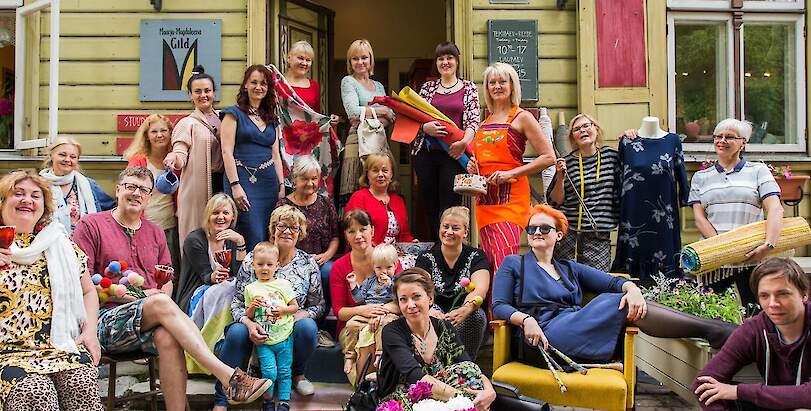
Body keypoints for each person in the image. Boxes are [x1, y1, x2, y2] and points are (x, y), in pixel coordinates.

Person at [72, 166, 272, 409]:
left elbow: (167, 279)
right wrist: (141, 297)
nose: (136, 193)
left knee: (168, 336)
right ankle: (228, 376)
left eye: (143, 190)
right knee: (159, 302)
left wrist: (158, 297)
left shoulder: (155, 232)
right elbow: (82, 284)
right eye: (130, 187)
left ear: (149, 197)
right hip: (103, 319)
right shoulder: (91, 225)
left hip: (148, 319)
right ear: (118, 189)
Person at [491, 204, 736, 366]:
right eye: (531, 228)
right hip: (543, 334)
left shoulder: (569, 267)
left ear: (559, 235)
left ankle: (715, 330)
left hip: (576, 326)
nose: (536, 232)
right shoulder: (514, 263)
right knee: (617, 302)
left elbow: (614, 281)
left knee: (622, 298)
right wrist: (525, 320)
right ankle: (715, 330)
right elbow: (499, 305)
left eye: (544, 228)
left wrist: (633, 289)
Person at [0, 170, 103, 410]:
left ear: (44, 207)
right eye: (18, 193)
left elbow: (88, 291)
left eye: (35, 196)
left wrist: (90, 331)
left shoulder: (59, 243)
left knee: (81, 382)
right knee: (36, 391)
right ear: (2, 201)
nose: (27, 200)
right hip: (6, 352)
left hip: (58, 346)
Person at [217, 205, 325, 409]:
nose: (287, 231)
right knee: (237, 332)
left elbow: (318, 305)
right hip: (257, 325)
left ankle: (297, 375)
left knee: (307, 327)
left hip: (288, 328)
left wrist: (300, 315)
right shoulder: (253, 258)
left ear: (300, 233)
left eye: (294, 228)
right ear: (273, 229)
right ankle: (222, 398)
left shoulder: (307, 264)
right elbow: (237, 302)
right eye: (282, 226)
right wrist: (249, 324)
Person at [468, 62, 555, 272]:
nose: (497, 86)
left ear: (512, 86)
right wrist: (473, 167)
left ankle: (505, 295)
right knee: (489, 261)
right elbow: (484, 160)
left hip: (511, 199)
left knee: (503, 259)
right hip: (485, 201)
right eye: (492, 82)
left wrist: (511, 173)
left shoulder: (522, 117)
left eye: (502, 82)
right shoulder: (485, 121)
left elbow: (549, 157)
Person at [692, 258, 811, 411]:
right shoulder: (755, 329)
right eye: (764, 296)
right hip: (775, 405)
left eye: (782, 294)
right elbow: (702, 384)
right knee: (712, 391)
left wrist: (739, 391)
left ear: (804, 294)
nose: (773, 304)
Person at [687, 118, 783, 307]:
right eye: (718, 136)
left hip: (751, 256)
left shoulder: (758, 171)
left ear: (743, 143)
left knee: (755, 311)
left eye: (729, 137)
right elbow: (699, 217)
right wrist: (725, 248)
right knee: (713, 313)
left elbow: (775, 208)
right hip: (715, 258)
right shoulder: (701, 177)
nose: (722, 141)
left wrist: (768, 245)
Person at [377, 268, 497, 411]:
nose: (410, 305)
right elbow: (415, 376)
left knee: (467, 370)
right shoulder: (392, 331)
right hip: (404, 397)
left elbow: (468, 365)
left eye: (416, 297)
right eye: (403, 299)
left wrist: (489, 390)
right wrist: (464, 398)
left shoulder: (444, 327)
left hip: (443, 393)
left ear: (430, 298)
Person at [414, 42, 480, 240]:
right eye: (441, 58)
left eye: (449, 58)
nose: (445, 62)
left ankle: (450, 246)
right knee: (430, 205)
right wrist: (424, 128)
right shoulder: (428, 88)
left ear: (457, 61)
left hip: (454, 154)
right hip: (426, 155)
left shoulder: (468, 88)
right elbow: (414, 117)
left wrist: (463, 143)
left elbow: (473, 121)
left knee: (450, 206)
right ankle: (436, 246)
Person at [330, 209, 402, 382]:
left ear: (372, 230)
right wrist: (364, 310)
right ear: (346, 235)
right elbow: (340, 312)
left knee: (379, 335)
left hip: (386, 319)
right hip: (353, 327)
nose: (358, 235)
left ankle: (379, 387)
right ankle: (364, 388)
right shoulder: (339, 267)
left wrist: (379, 312)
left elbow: (402, 300)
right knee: (366, 342)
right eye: (351, 231)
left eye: (363, 229)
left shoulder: (388, 259)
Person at [221, 64, 285, 251]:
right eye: (254, 82)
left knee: (268, 232)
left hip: (269, 183)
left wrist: (281, 185)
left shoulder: (272, 118)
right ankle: (244, 268)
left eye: (263, 83)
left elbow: (276, 155)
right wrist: (235, 185)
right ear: (245, 85)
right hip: (242, 181)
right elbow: (226, 152)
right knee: (251, 231)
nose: (259, 87)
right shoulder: (233, 114)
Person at [547, 113, 621, 271]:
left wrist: (629, 137)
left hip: (598, 234)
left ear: (596, 129)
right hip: (569, 235)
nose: (582, 130)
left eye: (586, 126)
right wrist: (560, 177)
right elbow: (555, 202)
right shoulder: (568, 162)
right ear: (573, 138)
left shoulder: (612, 157)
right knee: (566, 278)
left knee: (597, 279)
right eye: (577, 129)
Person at [414, 206, 489, 358]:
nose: (449, 232)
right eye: (445, 226)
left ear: (465, 232)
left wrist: (466, 309)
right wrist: (429, 310)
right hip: (435, 311)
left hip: (464, 313)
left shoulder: (476, 256)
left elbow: (480, 289)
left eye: (455, 228)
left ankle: (465, 362)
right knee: (421, 313)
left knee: (477, 315)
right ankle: (434, 363)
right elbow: (420, 288)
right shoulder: (426, 258)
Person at [164, 65, 224, 249]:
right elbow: (180, 151)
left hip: (222, 184)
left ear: (214, 92)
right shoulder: (186, 123)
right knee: (197, 234)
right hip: (197, 188)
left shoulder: (225, 118)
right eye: (197, 91)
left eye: (207, 90)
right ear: (190, 95)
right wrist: (175, 158)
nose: (203, 95)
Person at [277, 155, 338, 310]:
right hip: (292, 261)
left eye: (314, 179)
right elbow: (275, 237)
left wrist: (327, 255)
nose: (310, 183)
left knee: (328, 271)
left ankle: (322, 316)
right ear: (295, 179)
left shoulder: (326, 203)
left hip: (320, 260)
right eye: (305, 179)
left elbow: (335, 236)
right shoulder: (283, 205)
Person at [339, 39, 395, 208]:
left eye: (364, 57)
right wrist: (381, 112)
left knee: (380, 188)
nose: (360, 62)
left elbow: (391, 116)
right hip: (357, 142)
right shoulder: (348, 81)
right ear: (350, 62)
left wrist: (367, 116)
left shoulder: (378, 86)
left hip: (379, 142)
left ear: (371, 59)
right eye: (355, 58)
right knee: (357, 190)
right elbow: (352, 112)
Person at [244, 242, 297, 411]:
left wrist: (283, 310)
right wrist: (252, 307)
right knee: (269, 372)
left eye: (269, 264)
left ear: (277, 265)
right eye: (260, 264)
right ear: (253, 265)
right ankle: (267, 401)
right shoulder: (250, 288)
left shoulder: (283, 285)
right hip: (264, 339)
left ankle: (284, 402)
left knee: (284, 371)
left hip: (284, 335)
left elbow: (294, 307)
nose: (265, 268)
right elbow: (248, 315)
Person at [125, 113, 181, 271]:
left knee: (169, 271)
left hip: (170, 227)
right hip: (144, 226)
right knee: (145, 270)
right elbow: (128, 192)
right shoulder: (139, 161)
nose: (159, 135)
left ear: (170, 134)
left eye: (163, 131)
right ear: (147, 136)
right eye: (154, 132)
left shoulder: (176, 162)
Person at [173, 193, 246, 314]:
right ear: (208, 216)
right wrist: (214, 276)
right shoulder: (194, 240)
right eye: (215, 213)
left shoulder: (233, 238)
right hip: (197, 294)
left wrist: (240, 242)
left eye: (225, 213)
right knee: (225, 291)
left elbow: (240, 274)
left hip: (226, 293)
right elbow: (205, 275)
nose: (220, 217)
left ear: (233, 216)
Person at [342, 243, 400, 377]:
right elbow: (358, 298)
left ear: (395, 265)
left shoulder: (396, 281)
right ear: (373, 267)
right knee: (351, 324)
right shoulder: (370, 281)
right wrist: (353, 284)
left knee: (385, 325)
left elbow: (398, 298)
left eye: (388, 267)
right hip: (367, 313)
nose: (384, 272)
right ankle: (349, 356)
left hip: (387, 313)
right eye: (379, 268)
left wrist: (390, 284)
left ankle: (380, 355)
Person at [38, 137, 115, 234]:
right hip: (46, 241)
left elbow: (113, 211)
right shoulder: (38, 184)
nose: (67, 159)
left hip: (83, 242)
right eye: (62, 155)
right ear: (51, 155)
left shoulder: (89, 185)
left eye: (73, 157)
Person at [345, 153, 415, 245]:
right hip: (367, 250)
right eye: (375, 171)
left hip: (396, 251)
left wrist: (411, 243)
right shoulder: (358, 198)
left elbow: (404, 234)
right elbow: (353, 232)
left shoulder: (398, 200)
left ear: (391, 175)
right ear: (367, 174)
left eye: (385, 171)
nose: (380, 175)